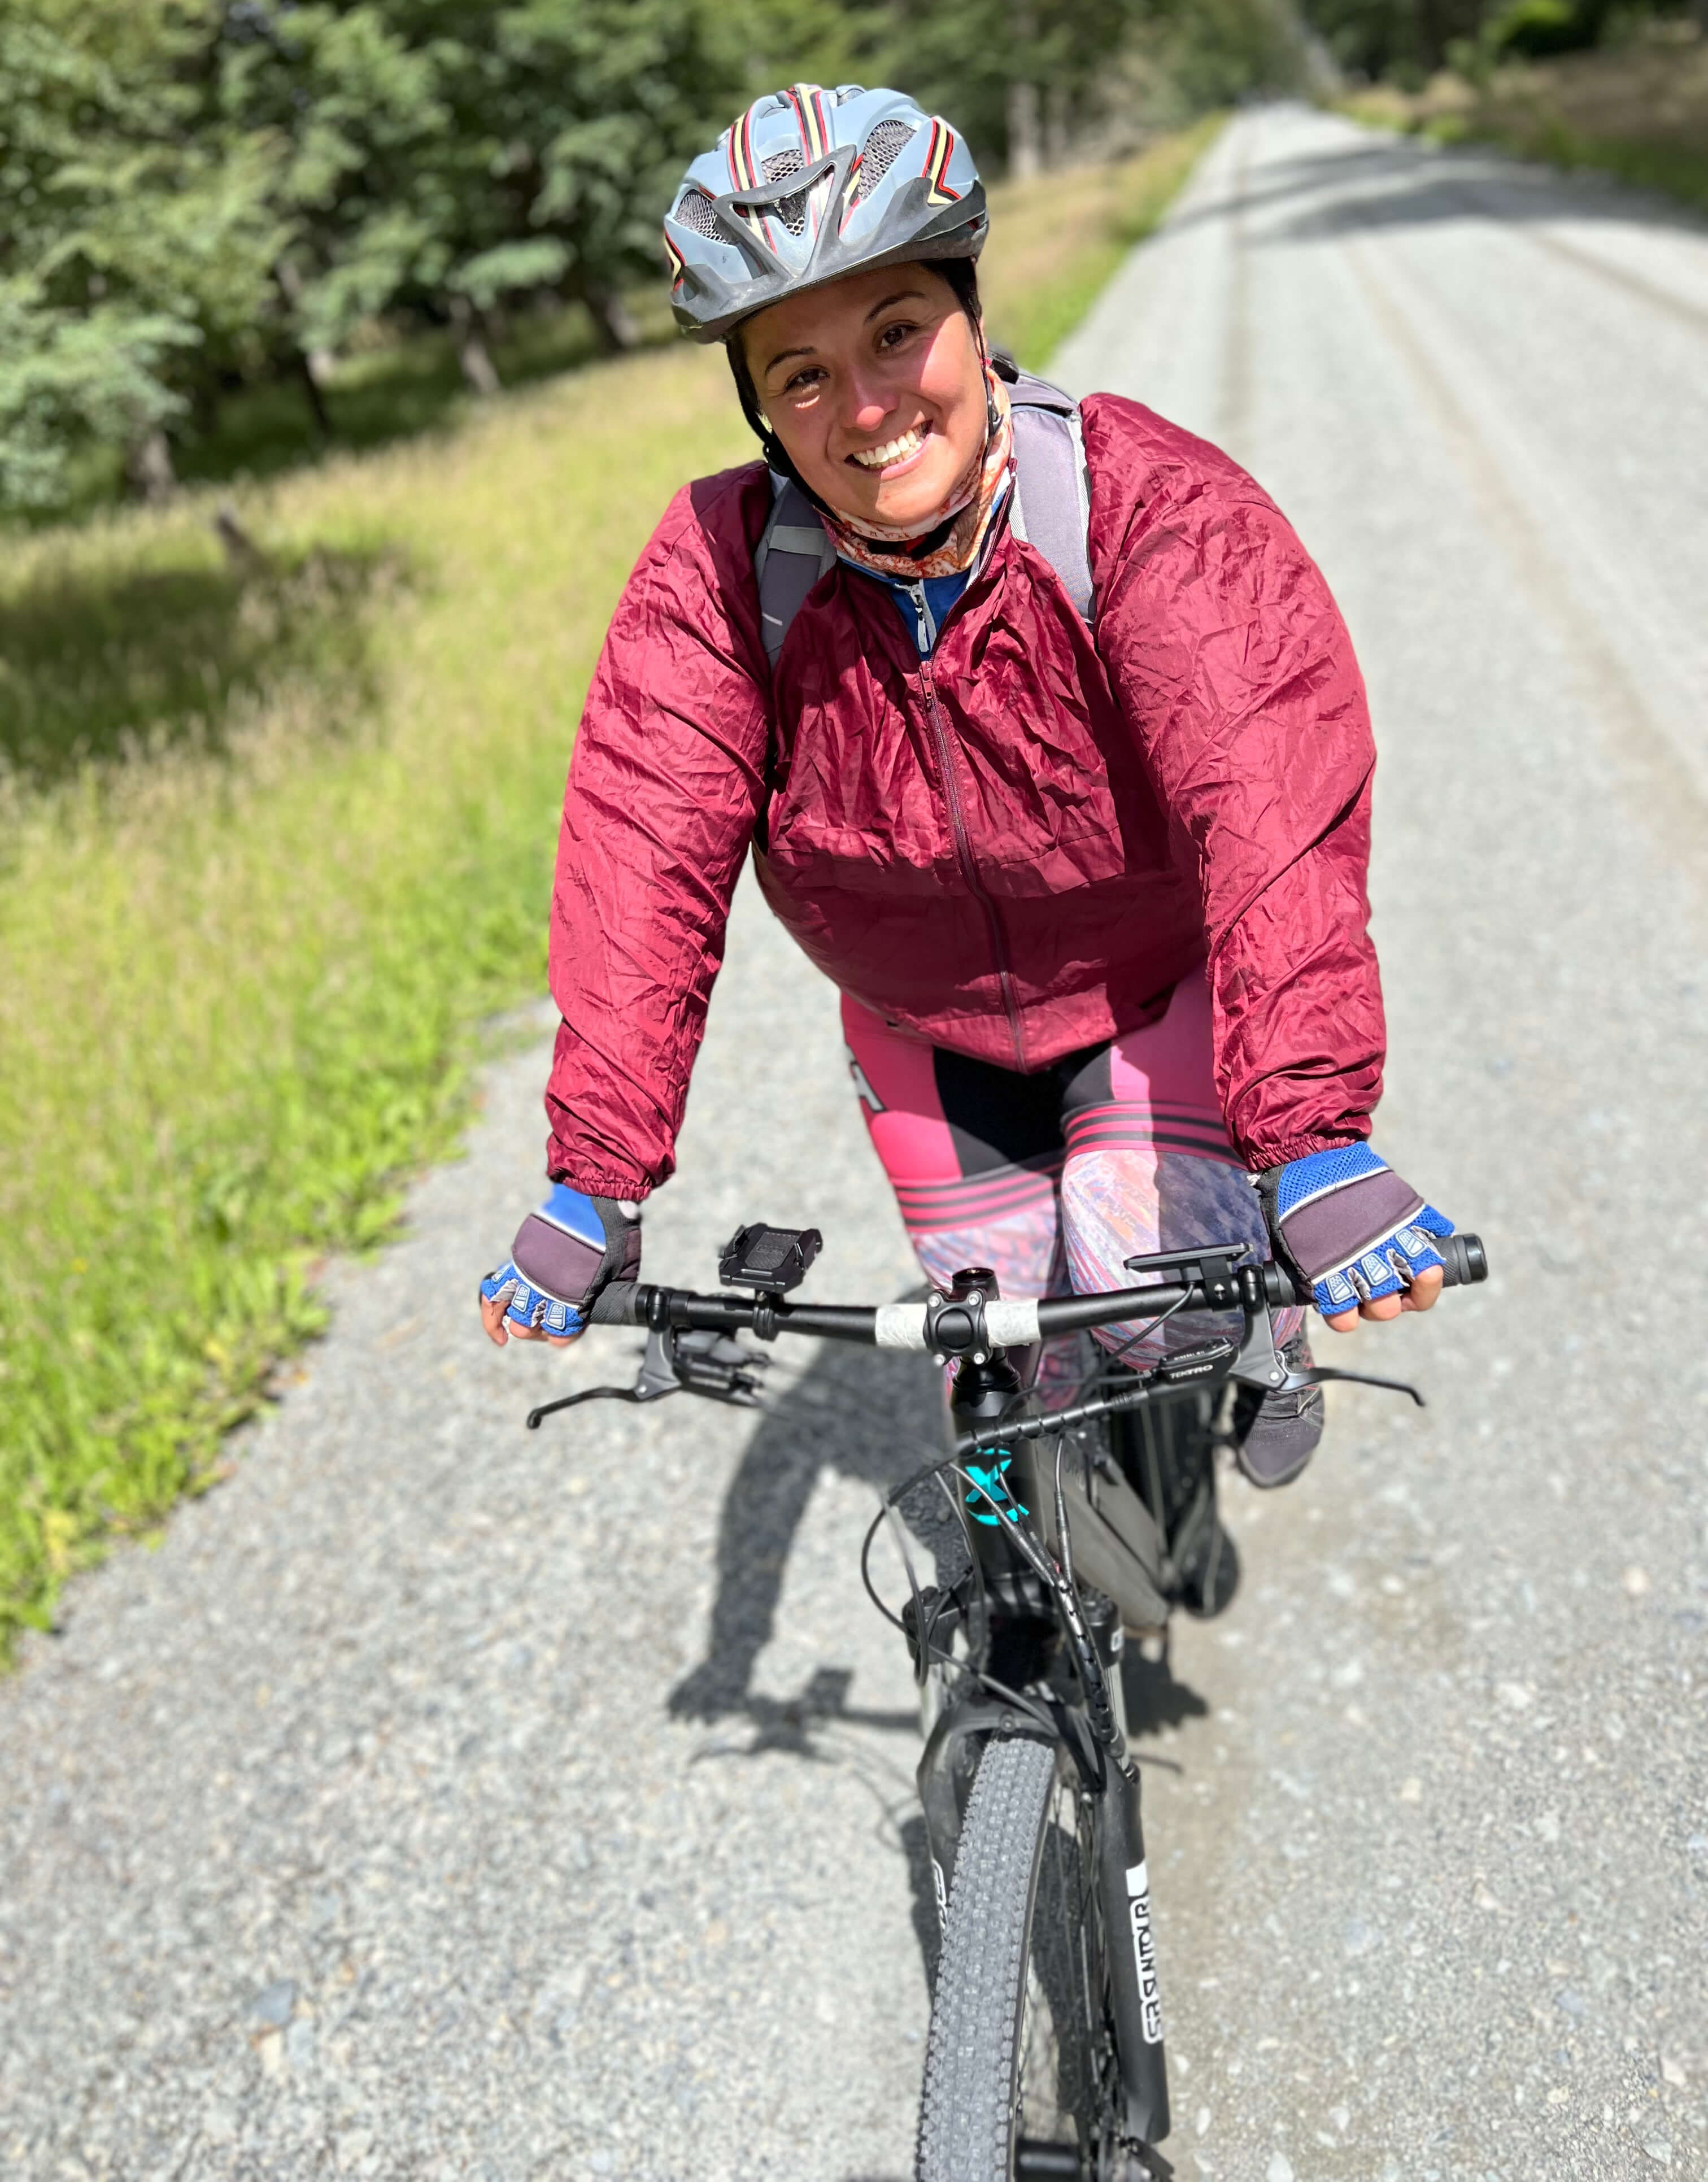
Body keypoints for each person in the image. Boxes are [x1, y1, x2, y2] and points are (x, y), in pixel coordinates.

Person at [479, 82, 1453, 1492]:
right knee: (999, 1366)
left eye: (894, 331)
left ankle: (1255, 1324)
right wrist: (598, 1174)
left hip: (1144, 991)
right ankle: (1018, 1643)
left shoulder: (1143, 508)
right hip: (918, 1022)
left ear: (974, 318)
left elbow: (1270, 805)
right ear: (756, 403)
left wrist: (1313, 1143)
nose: (865, 406)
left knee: (1152, 1299)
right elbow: (642, 851)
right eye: (799, 373)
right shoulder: (723, 568)